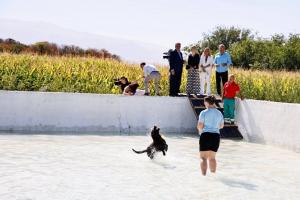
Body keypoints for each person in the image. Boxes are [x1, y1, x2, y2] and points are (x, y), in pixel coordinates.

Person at [197, 95, 224, 176]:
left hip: (205, 135)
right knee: (212, 158)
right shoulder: (219, 113)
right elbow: (221, 126)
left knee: (203, 158)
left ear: (207, 103)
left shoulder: (204, 112)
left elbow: (200, 126)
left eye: (205, 102)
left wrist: (199, 129)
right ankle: (213, 176)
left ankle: (204, 177)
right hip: (216, 136)